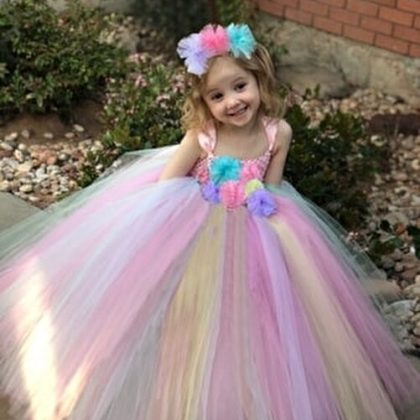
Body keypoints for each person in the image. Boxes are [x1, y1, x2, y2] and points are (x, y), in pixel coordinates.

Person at [0, 23, 419, 420]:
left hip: (256, 229)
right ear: (204, 103)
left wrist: (263, 210)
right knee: (192, 309)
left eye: (240, 86)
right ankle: (180, 388)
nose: (232, 101)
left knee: (258, 311)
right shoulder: (203, 137)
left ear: (260, 80)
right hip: (198, 225)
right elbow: (166, 185)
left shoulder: (279, 133)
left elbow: (274, 188)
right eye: (217, 96)